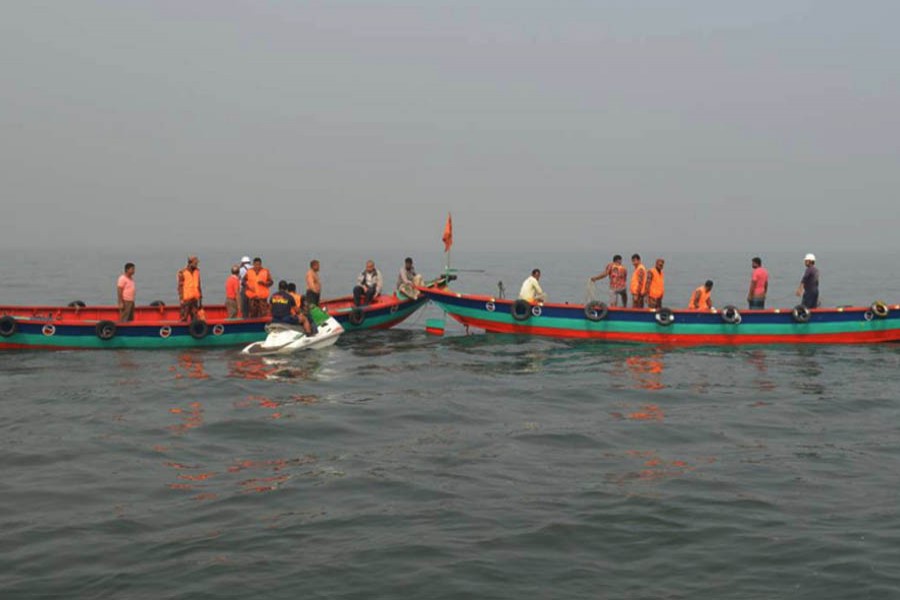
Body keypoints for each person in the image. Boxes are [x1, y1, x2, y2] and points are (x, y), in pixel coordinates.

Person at [177, 256, 202, 321]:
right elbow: (180, 287)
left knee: (195, 317)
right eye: (195, 263)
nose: (196, 265)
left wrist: (200, 296)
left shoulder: (197, 272)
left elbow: (199, 285)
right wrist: (181, 298)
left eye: (197, 263)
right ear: (190, 263)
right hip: (186, 299)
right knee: (184, 317)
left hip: (195, 298)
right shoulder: (182, 272)